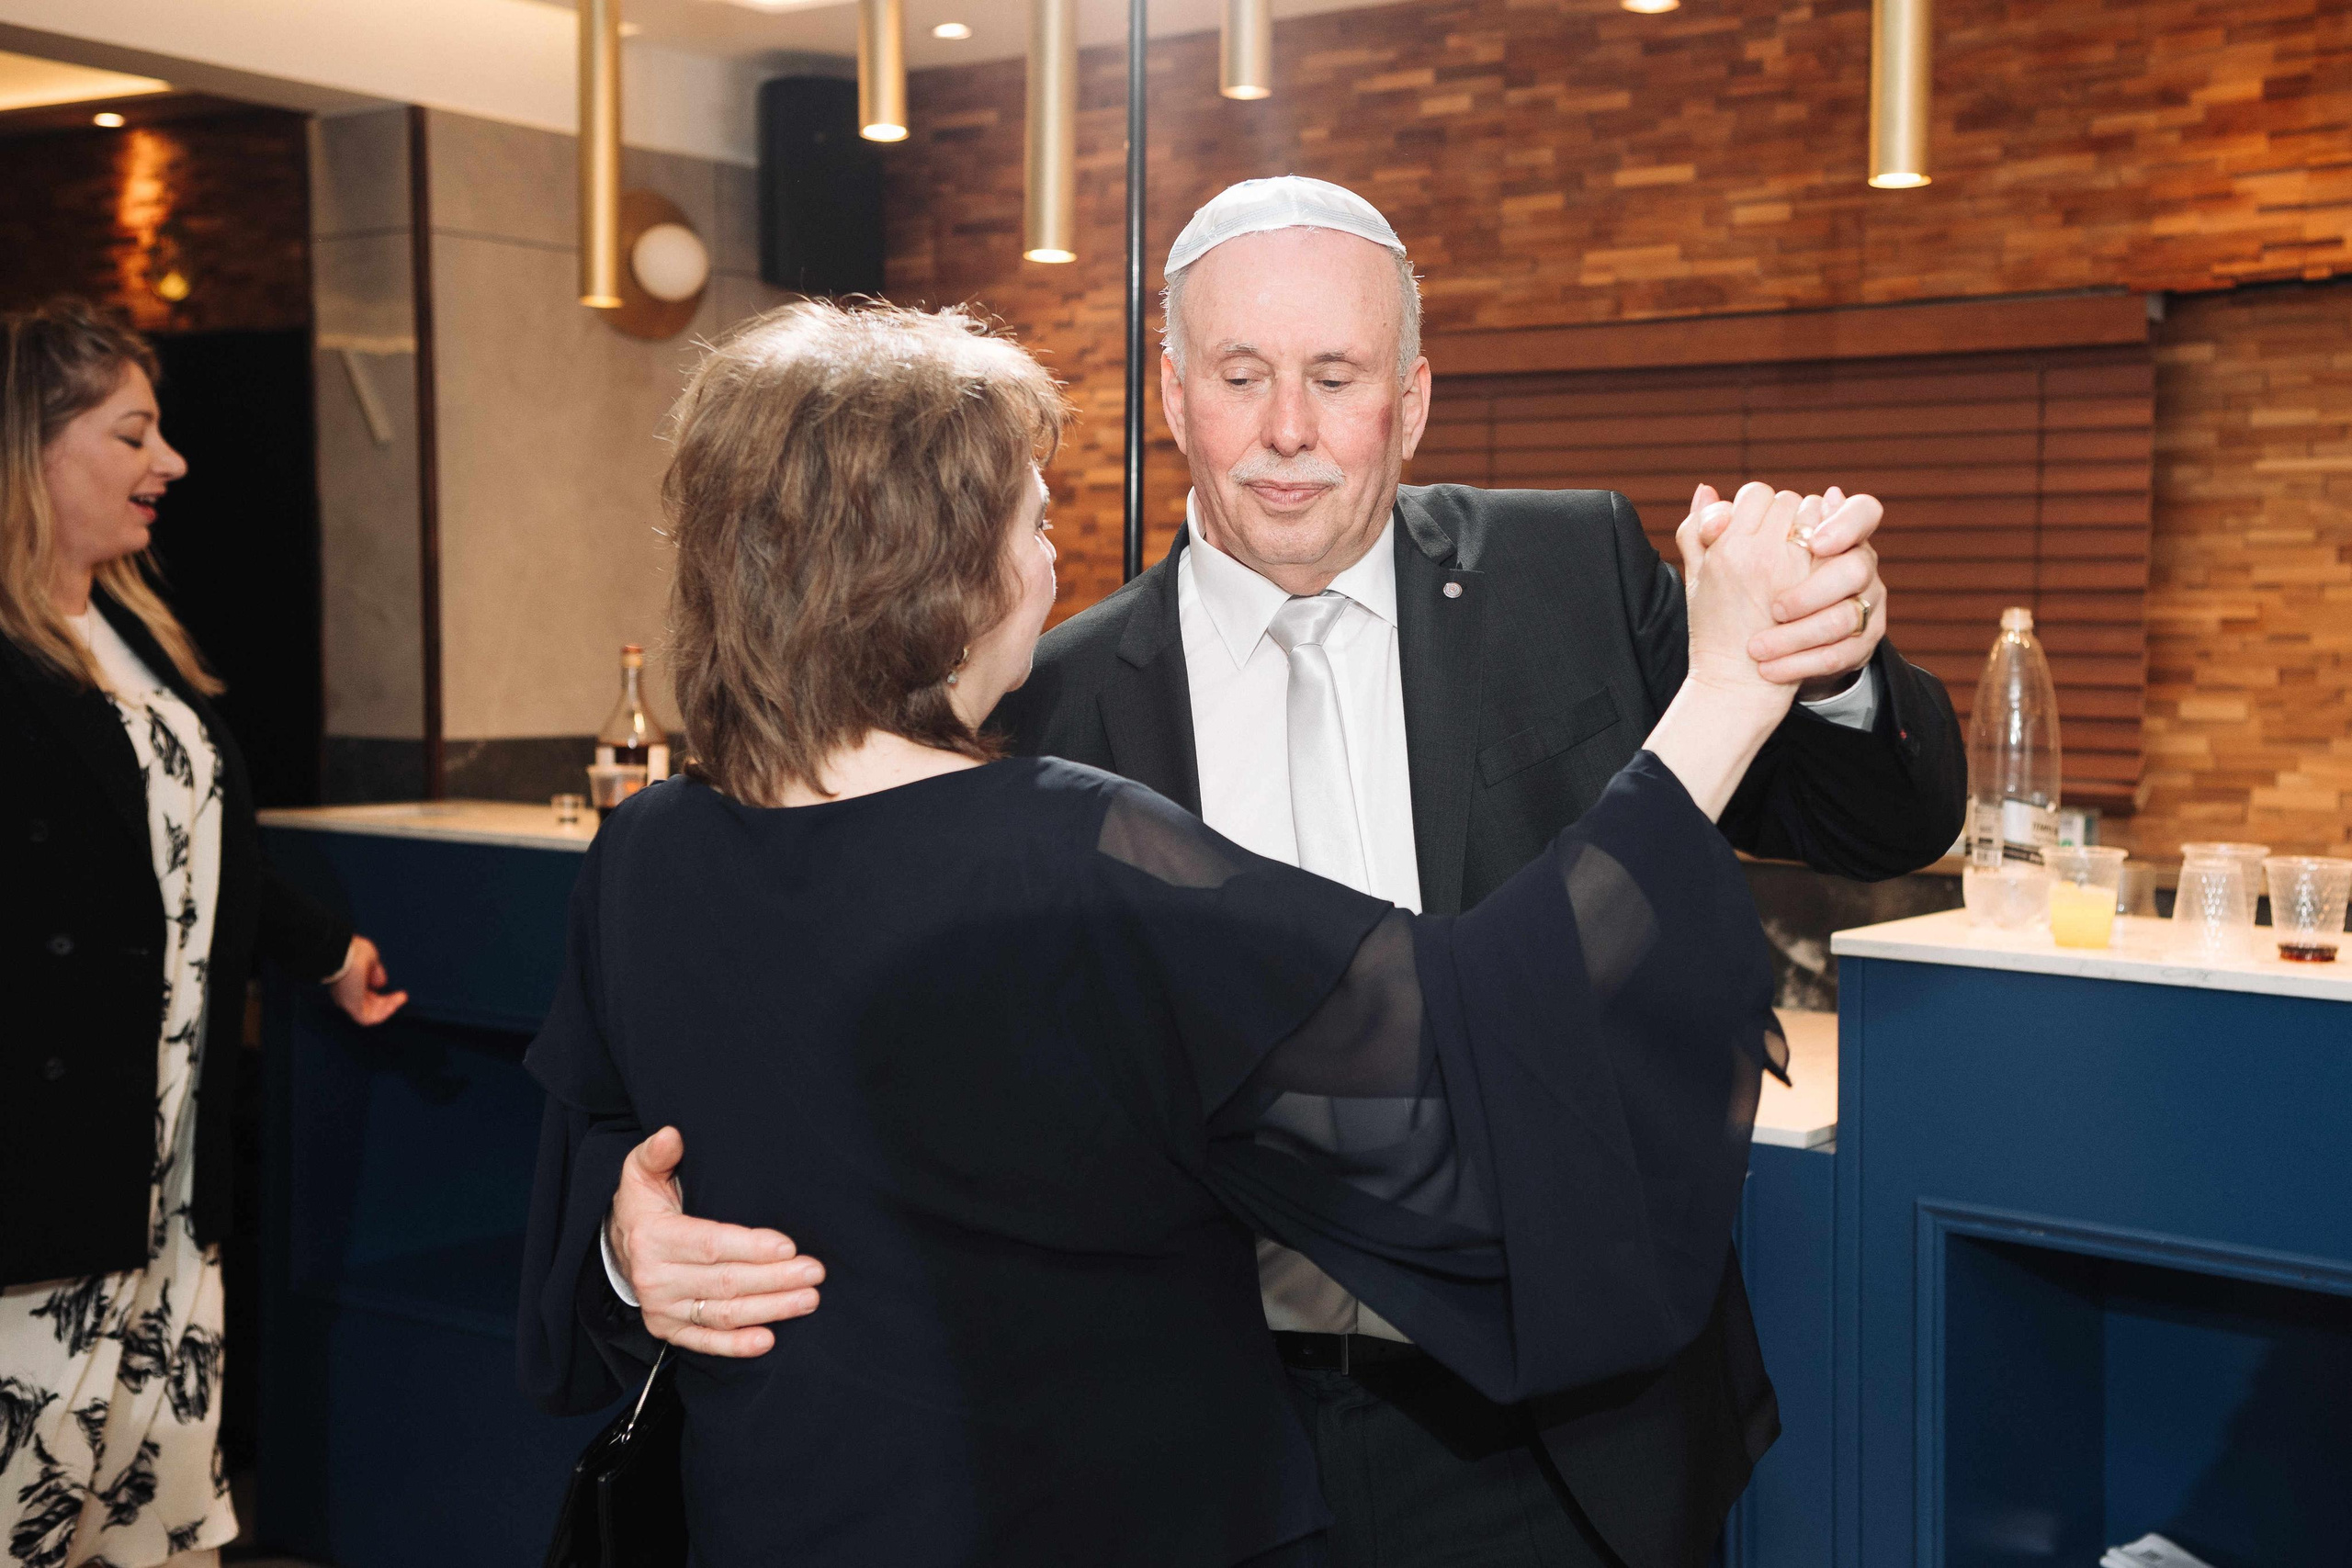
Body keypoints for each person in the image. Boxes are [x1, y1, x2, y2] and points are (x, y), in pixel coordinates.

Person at [602, 180, 1967, 1567]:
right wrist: (628, 1235)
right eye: (1244, 377)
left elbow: (1884, 821)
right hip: (1194, 1448)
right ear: (1174, 393)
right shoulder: (1032, 715)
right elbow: (800, 1056)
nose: (1289, 429)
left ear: (1413, 399)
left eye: (1336, 376)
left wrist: (1825, 654)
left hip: (1559, 1436)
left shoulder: (1578, 570)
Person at [0, 299, 406, 1568]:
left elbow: (192, 857)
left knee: (155, 1539)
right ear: (29, 450)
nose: (167, 463)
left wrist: (325, 953)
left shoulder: (127, 632)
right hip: (36, 1198)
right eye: (131, 435)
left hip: (165, 1198)